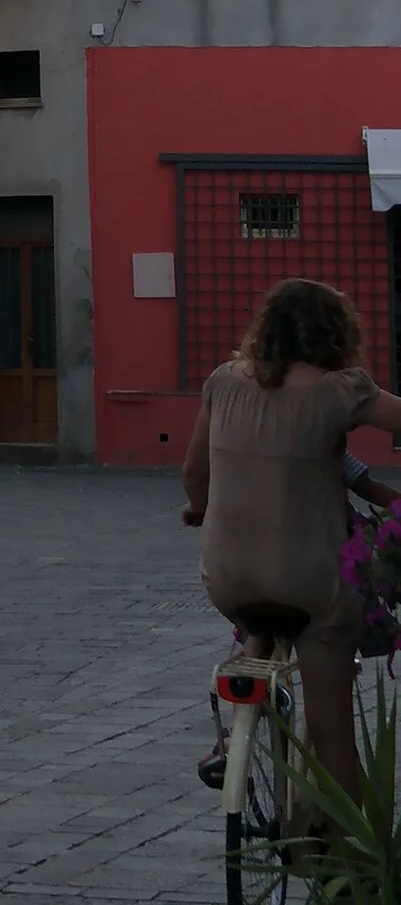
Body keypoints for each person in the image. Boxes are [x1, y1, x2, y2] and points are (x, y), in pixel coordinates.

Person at [181, 276, 401, 796]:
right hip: (312, 583)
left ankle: (239, 724)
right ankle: (345, 861)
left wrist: (199, 509)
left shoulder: (220, 381)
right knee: (332, 732)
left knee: (256, 610)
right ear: (335, 333)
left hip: (228, 579)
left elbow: (194, 474)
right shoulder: (341, 390)